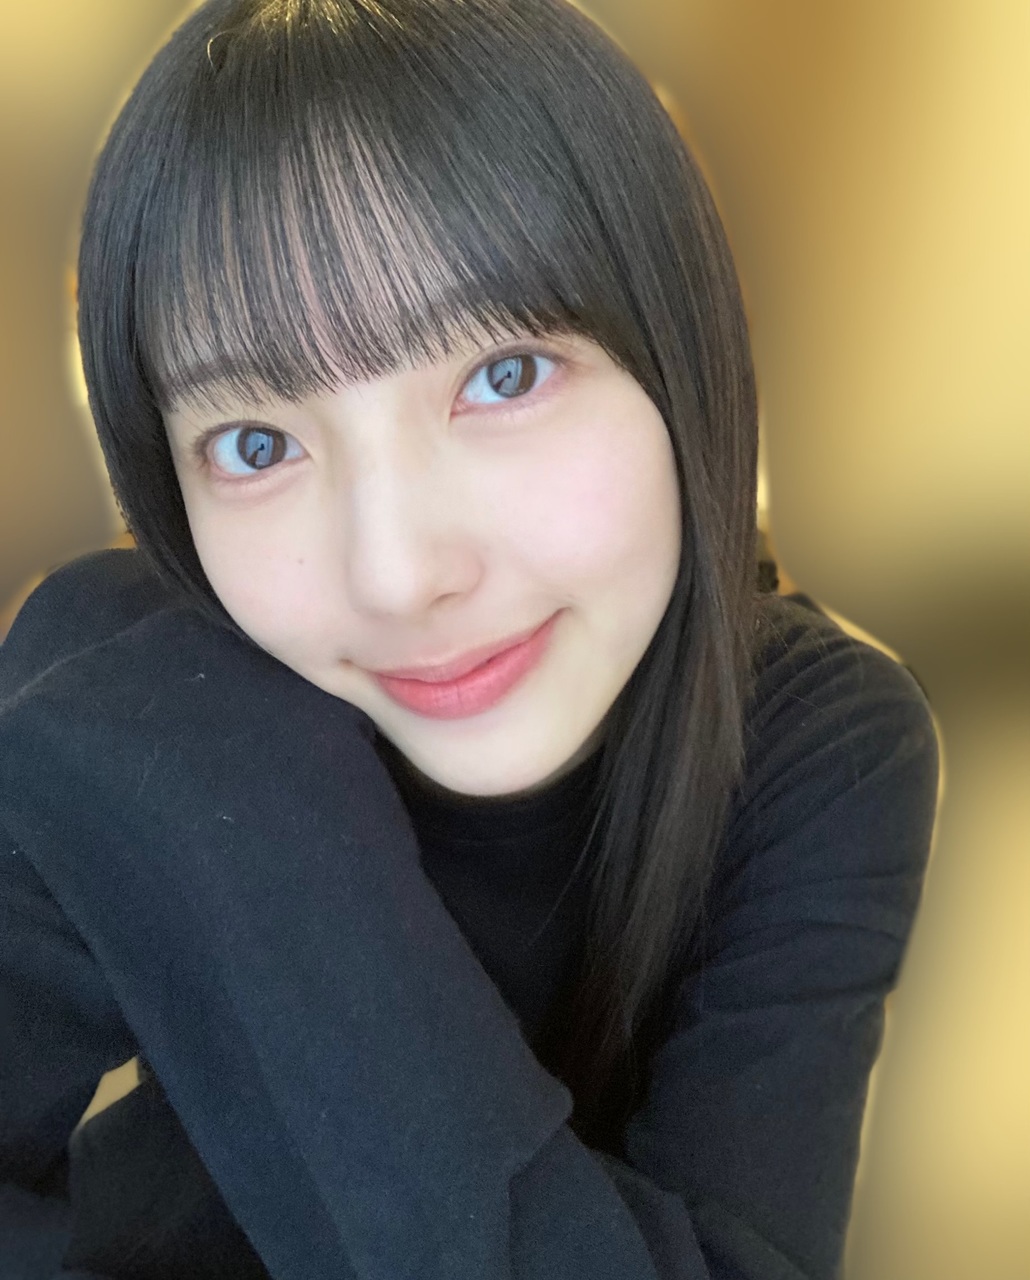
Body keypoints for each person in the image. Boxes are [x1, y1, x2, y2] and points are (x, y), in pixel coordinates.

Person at [0, 1, 940, 1277]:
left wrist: (263, 828)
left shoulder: (817, 740)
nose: (397, 575)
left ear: (679, 347)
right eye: (257, 443)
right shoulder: (131, 684)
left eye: (504, 374)